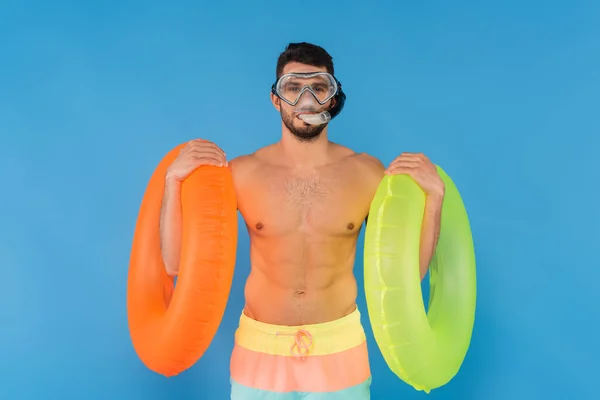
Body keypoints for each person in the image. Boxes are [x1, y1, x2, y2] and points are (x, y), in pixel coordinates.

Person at [159, 42, 445, 399]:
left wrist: (434, 198)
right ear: (276, 99)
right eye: (293, 88)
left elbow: (409, 276)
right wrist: (173, 181)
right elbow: (174, 263)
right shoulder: (241, 174)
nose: (306, 99)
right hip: (259, 351)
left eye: (318, 87)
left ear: (333, 98)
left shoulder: (368, 174)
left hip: (339, 351)